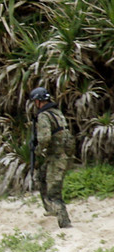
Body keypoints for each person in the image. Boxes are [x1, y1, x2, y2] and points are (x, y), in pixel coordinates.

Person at [29, 87, 72, 228]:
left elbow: (44, 138)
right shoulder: (56, 113)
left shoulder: (44, 116)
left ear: (38, 101)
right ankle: (50, 210)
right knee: (41, 178)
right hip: (62, 154)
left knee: (54, 191)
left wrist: (38, 151)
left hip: (56, 156)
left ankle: (64, 222)